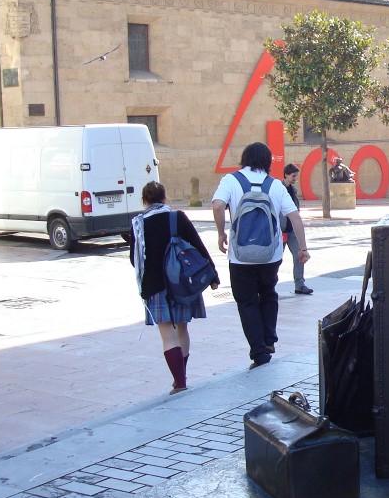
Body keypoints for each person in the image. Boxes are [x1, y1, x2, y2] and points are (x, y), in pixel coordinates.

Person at [212, 142, 309, 369]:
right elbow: (294, 216)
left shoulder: (231, 180)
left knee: (246, 301)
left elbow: (218, 205)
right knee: (268, 293)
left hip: (240, 255)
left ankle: (259, 352)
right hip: (270, 254)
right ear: (267, 162)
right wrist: (303, 248)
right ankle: (269, 339)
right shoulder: (275, 185)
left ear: (244, 159)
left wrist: (220, 233)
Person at [130, 181, 219, 395]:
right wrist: (213, 275)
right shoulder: (176, 217)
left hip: (154, 287)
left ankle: (179, 381)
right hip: (182, 283)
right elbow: (198, 246)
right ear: (164, 198)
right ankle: (182, 375)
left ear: (144, 201)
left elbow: (134, 259)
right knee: (182, 329)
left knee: (167, 335)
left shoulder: (138, 224)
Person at [282, 163, 312, 295]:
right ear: (286, 175)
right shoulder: (278, 188)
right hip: (281, 231)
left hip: (292, 230)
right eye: (293, 176)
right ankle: (268, 285)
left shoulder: (293, 190)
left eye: (296, 176)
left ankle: (300, 284)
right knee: (276, 259)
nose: (295, 179)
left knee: (299, 255)